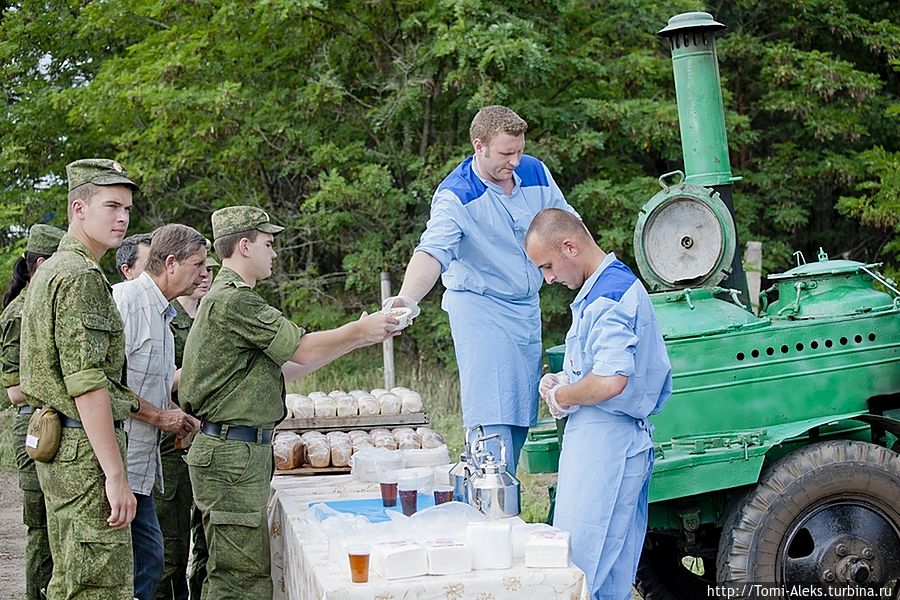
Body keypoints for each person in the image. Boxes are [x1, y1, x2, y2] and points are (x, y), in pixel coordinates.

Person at [180, 206, 397, 599]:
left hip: (235, 452)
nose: (274, 253)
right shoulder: (235, 301)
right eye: (268, 244)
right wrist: (358, 328)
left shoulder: (231, 299)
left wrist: (358, 338)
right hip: (232, 454)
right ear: (244, 246)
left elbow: (289, 366)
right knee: (240, 579)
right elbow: (300, 347)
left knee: (233, 570)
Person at [386, 105, 578, 474]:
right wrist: (406, 299)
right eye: (507, 153)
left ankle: (503, 489)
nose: (516, 160)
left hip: (525, 306)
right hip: (479, 306)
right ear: (480, 146)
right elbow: (432, 251)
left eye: (520, 150)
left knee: (521, 411)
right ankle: (487, 500)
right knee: (491, 411)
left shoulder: (534, 171)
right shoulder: (456, 194)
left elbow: (566, 223)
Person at [524, 208, 672, 600]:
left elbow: (610, 380)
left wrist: (562, 396)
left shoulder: (606, 298)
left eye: (548, 266)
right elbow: (600, 368)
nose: (549, 278)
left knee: (582, 564)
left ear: (570, 246)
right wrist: (568, 380)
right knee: (612, 565)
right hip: (616, 436)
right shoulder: (610, 286)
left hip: (606, 444)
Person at [19, 158, 142, 599]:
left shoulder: (52, 269)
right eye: (111, 206)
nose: (123, 217)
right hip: (84, 453)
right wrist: (114, 475)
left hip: (62, 447)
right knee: (96, 586)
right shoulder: (79, 276)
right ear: (78, 208)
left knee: (71, 577)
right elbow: (87, 382)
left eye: (127, 207)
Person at [112, 224, 206, 600]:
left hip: (143, 467)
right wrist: (158, 417)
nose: (204, 273)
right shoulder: (126, 302)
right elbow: (103, 385)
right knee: (140, 564)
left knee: (151, 559)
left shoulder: (164, 319)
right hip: (116, 466)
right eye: (198, 264)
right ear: (170, 263)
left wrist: (176, 417)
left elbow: (149, 386)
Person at [1, 223, 65, 600]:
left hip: (57, 421)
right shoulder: (19, 314)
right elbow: (14, 392)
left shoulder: (47, 305)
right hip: (37, 429)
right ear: (40, 265)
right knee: (41, 530)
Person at [154, 251, 217, 600]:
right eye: (199, 269)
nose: (205, 276)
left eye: (210, 270)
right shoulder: (165, 316)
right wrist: (191, 375)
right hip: (173, 442)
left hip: (208, 439)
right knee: (171, 548)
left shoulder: (215, 315)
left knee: (208, 541)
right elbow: (149, 383)